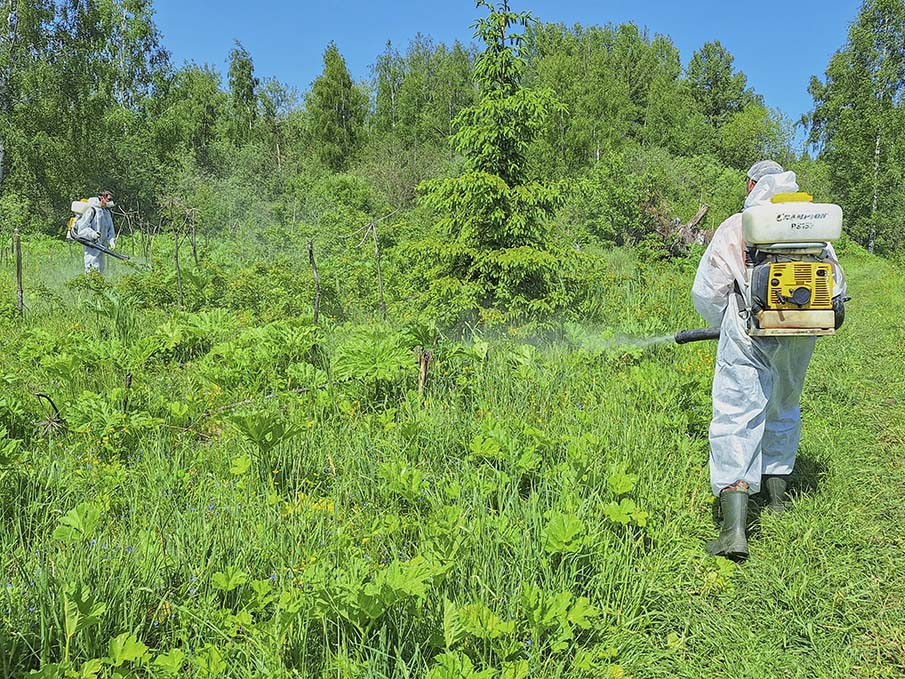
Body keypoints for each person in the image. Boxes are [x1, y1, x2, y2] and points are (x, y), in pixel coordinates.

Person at [691, 160, 846, 559]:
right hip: (802, 331)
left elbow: (707, 290)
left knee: (735, 416)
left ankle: (734, 532)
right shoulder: (815, 226)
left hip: (748, 330)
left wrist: (723, 323)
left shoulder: (739, 224)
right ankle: (777, 502)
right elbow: (835, 284)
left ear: (750, 184)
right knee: (785, 405)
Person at [75, 190, 117, 274]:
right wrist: (92, 234)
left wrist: (111, 240)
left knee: (101, 270)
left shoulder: (106, 212)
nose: (111, 202)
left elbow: (110, 230)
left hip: (102, 246)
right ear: (102, 198)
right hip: (92, 247)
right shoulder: (91, 210)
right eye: (109, 199)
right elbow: (82, 229)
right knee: (92, 270)